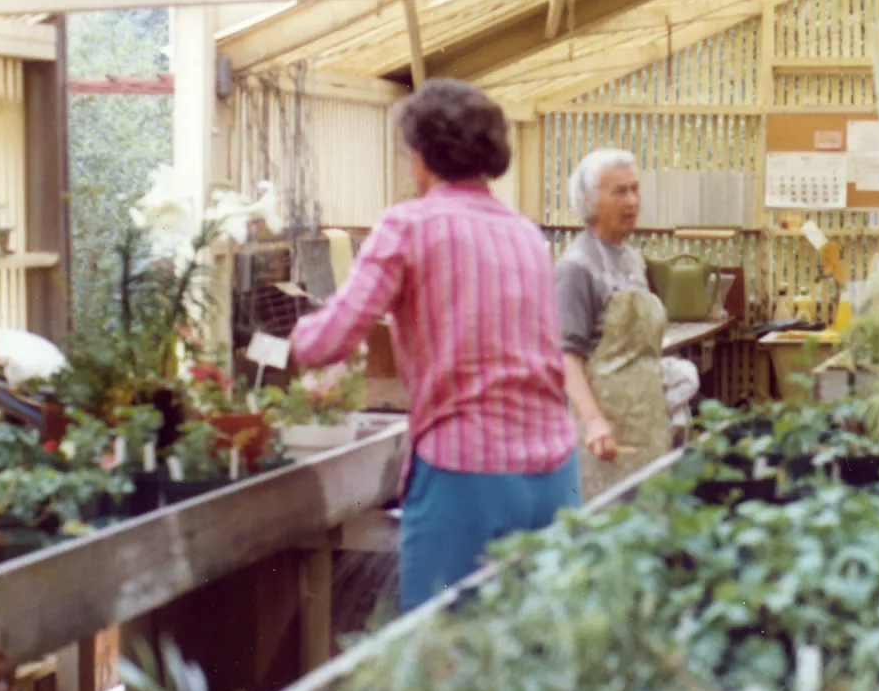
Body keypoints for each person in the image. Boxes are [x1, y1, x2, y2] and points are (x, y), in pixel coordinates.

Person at [291, 78, 579, 613]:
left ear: (419, 156)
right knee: (537, 661)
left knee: (441, 658)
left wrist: (291, 337)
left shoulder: (408, 225)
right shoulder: (525, 234)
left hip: (468, 472)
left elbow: (327, 342)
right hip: (554, 473)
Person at [555, 149, 693, 500]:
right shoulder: (576, 267)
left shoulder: (633, 260)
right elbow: (566, 358)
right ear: (588, 199)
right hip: (604, 436)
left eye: (635, 190)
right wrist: (593, 421)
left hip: (646, 426)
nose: (631, 201)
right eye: (619, 192)